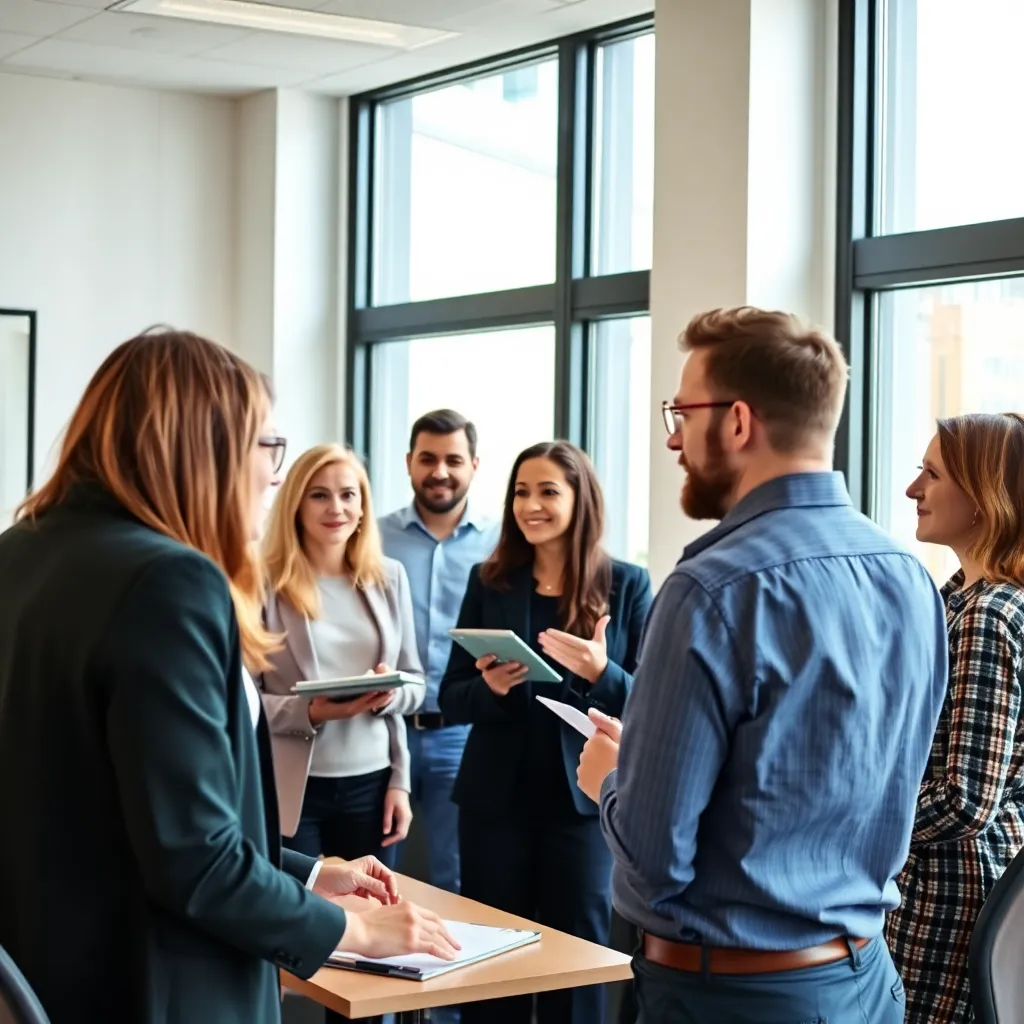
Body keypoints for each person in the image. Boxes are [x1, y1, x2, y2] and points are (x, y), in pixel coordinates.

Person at [0, 330, 457, 1024]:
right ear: (203, 446)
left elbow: (143, 809)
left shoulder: (22, 552)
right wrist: (355, 931)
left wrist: (309, 872)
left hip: (51, 967)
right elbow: (193, 858)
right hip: (158, 982)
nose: (275, 474)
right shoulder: (168, 581)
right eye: (267, 446)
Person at [577, 306, 949, 1023]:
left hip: (733, 998)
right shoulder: (911, 578)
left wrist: (612, 781)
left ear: (739, 422)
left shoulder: (709, 589)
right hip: (868, 983)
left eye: (682, 413)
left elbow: (654, 866)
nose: (671, 437)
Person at [440, 440, 652, 1024]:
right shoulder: (491, 581)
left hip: (582, 803)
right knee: (489, 959)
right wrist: (494, 688)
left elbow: (653, 707)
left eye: (548, 491)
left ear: (580, 499)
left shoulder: (628, 585)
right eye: (520, 492)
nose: (530, 504)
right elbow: (450, 696)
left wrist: (600, 673)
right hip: (493, 802)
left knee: (574, 960)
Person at [887, 413, 1024, 1023]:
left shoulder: (986, 617)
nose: (913, 489)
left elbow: (966, 799)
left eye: (932, 473)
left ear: (984, 496)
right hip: (950, 887)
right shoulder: (960, 600)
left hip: (947, 896)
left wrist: (853, 823)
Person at [260, 444, 426, 868]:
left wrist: (399, 781)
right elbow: (244, 699)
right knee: (299, 917)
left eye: (348, 494)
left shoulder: (389, 577)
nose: (336, 507)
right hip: (294, 786)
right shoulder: (263, 583)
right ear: (295, 503)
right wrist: (309, 712)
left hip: (373, 783)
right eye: (319, 494)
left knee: (373, 913)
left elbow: (415, 682)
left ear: (363, 505)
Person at [378, 410, 500, 898]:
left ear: (474, 464)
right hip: (384, 729)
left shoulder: (501, 544)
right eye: (428, 458)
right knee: (373, 873)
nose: (440, 471)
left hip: (461, 733)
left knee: (460, 878)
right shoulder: (373, 536)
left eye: (453, 459)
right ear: (409, 463)